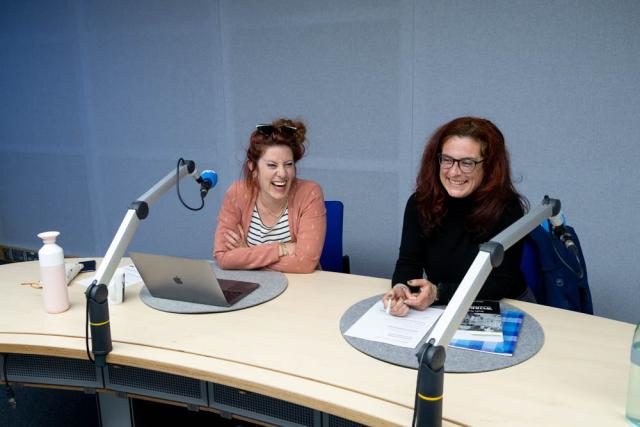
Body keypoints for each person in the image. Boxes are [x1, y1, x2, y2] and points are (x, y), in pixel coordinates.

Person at [384, 116, 532, 316]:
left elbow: (498, 284)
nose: (454, 172)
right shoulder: (420, 203)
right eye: (447, 160)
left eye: (467, 163)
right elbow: (409, 261)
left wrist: (438, 293)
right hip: (444, 304)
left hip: (503, 305)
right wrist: (403, 289)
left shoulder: (508, 209)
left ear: (488, 167)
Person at [214, 118, 326, 273]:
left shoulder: (310, 193)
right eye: (272, 165)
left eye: (288, 164)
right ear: (253, 168)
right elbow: (223, 257)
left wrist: (246, 254)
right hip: (254, 288)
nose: (282, 173)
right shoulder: (236, 194)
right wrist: (281, 248)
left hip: (301, 289)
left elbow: (305, 263)